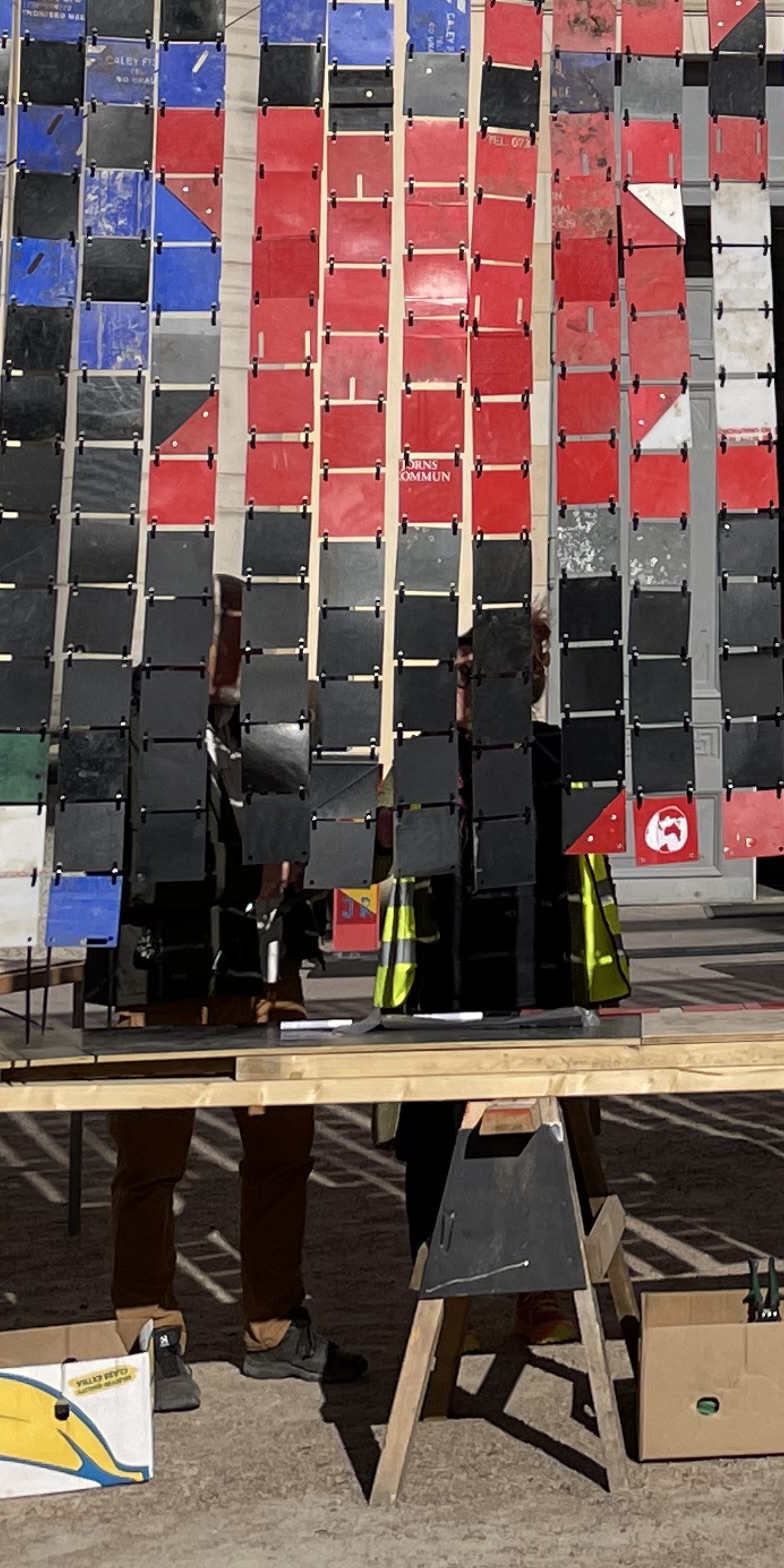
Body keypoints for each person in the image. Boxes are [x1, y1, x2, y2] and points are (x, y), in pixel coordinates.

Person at [101, 579, 345, 1405]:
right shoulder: (136, 726)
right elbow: (108, 844)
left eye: (251, 637)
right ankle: (147, 1331)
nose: (241, 654)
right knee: (149, 1166)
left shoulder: (270, 733)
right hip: (162, 969)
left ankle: (274, 1327)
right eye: (228, 635)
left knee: (283, 1151)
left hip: (264, 969)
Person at [382, 596, 631, 1280]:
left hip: (538, 979)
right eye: (455, 676)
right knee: (437, 1150)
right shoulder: (426, 762)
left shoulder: (560, 755)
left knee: (543, 1151)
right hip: (442, 988)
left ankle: (542, 1291)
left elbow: (593, 866)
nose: (459, 691)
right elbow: (369, 858)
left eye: (473, 677)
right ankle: (443, 1293)